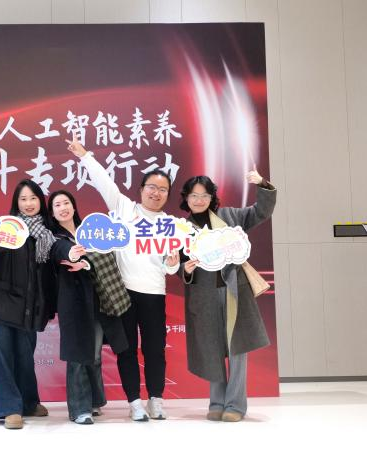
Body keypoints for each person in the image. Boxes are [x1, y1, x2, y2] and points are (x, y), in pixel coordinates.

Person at [67, 137, 179, 421]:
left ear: (167, 195)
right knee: (126, 349)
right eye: (151, 187)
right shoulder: (126, 209)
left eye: (162, 189)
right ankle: (134, 403)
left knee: (155, 350)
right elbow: (104, 183)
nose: (156, 193)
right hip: (123, 293)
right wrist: (85, 156)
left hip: (154, 293)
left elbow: (170, 267)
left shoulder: (170, 225)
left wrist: (172, 263)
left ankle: (156, 400)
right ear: (141, 189)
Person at [179, 170, 276, 422]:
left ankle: (235, 405)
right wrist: (184, 269)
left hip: (234, 292)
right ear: (186, 199)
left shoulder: (230, 216)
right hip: (203, 296)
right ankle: (216, 402)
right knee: (211, 348)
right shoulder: (182, 229)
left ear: (212, 197)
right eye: (193, 196)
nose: (199, 200)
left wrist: (263, 185)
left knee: (237, 349)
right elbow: (175, 263)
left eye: (204, 195)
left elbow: (261, 212)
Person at [47, 189, 129, 424]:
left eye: (66, 202)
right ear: (52, 212)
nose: (63, 208)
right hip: (73, 303)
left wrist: (86, 263)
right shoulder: (54, 238)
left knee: (94, 354)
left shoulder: (91, 231)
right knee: (77, 354)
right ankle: (79, 409)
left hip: (99, 299)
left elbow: (106, 255)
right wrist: (73, 255)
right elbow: (61, 253)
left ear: (73, 206)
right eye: (57, 205)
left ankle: (94, 401)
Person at [0, 179, 54, 430]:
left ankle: (29, 403)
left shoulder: (47, 232)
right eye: (23, 199)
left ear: (40, 201)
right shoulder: (8, 227)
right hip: (0, 302)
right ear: (16, 203)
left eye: (33, 198)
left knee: (24, 355)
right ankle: (9, 409)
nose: (28, 203)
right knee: (2, 356)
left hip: (30, 306)